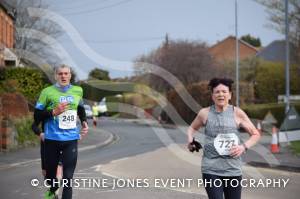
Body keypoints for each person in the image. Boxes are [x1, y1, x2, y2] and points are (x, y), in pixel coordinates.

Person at [187, 77, 260, 199]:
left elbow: (255, 134)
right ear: (212, 96)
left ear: (230, 95)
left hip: (233, 169)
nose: (221, 94)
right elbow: (192, 128)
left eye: (224, 91)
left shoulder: (238, 113)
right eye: (217, 92)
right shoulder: (204, 113)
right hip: (211, 169)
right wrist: (190, 140)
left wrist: (243, 147)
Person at [33, 64, 88, 199]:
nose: (63, 76)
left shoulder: (78, 91)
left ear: (70, 75)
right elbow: (37, 116)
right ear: (56, 76)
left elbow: (80, 108)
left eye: (66, 73)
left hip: (70, 140)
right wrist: (53, 112)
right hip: (52, 140)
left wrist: (84, 121)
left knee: (68, 179)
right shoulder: (47, 92)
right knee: (51, 178)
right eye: (60, 74)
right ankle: (53, 191)